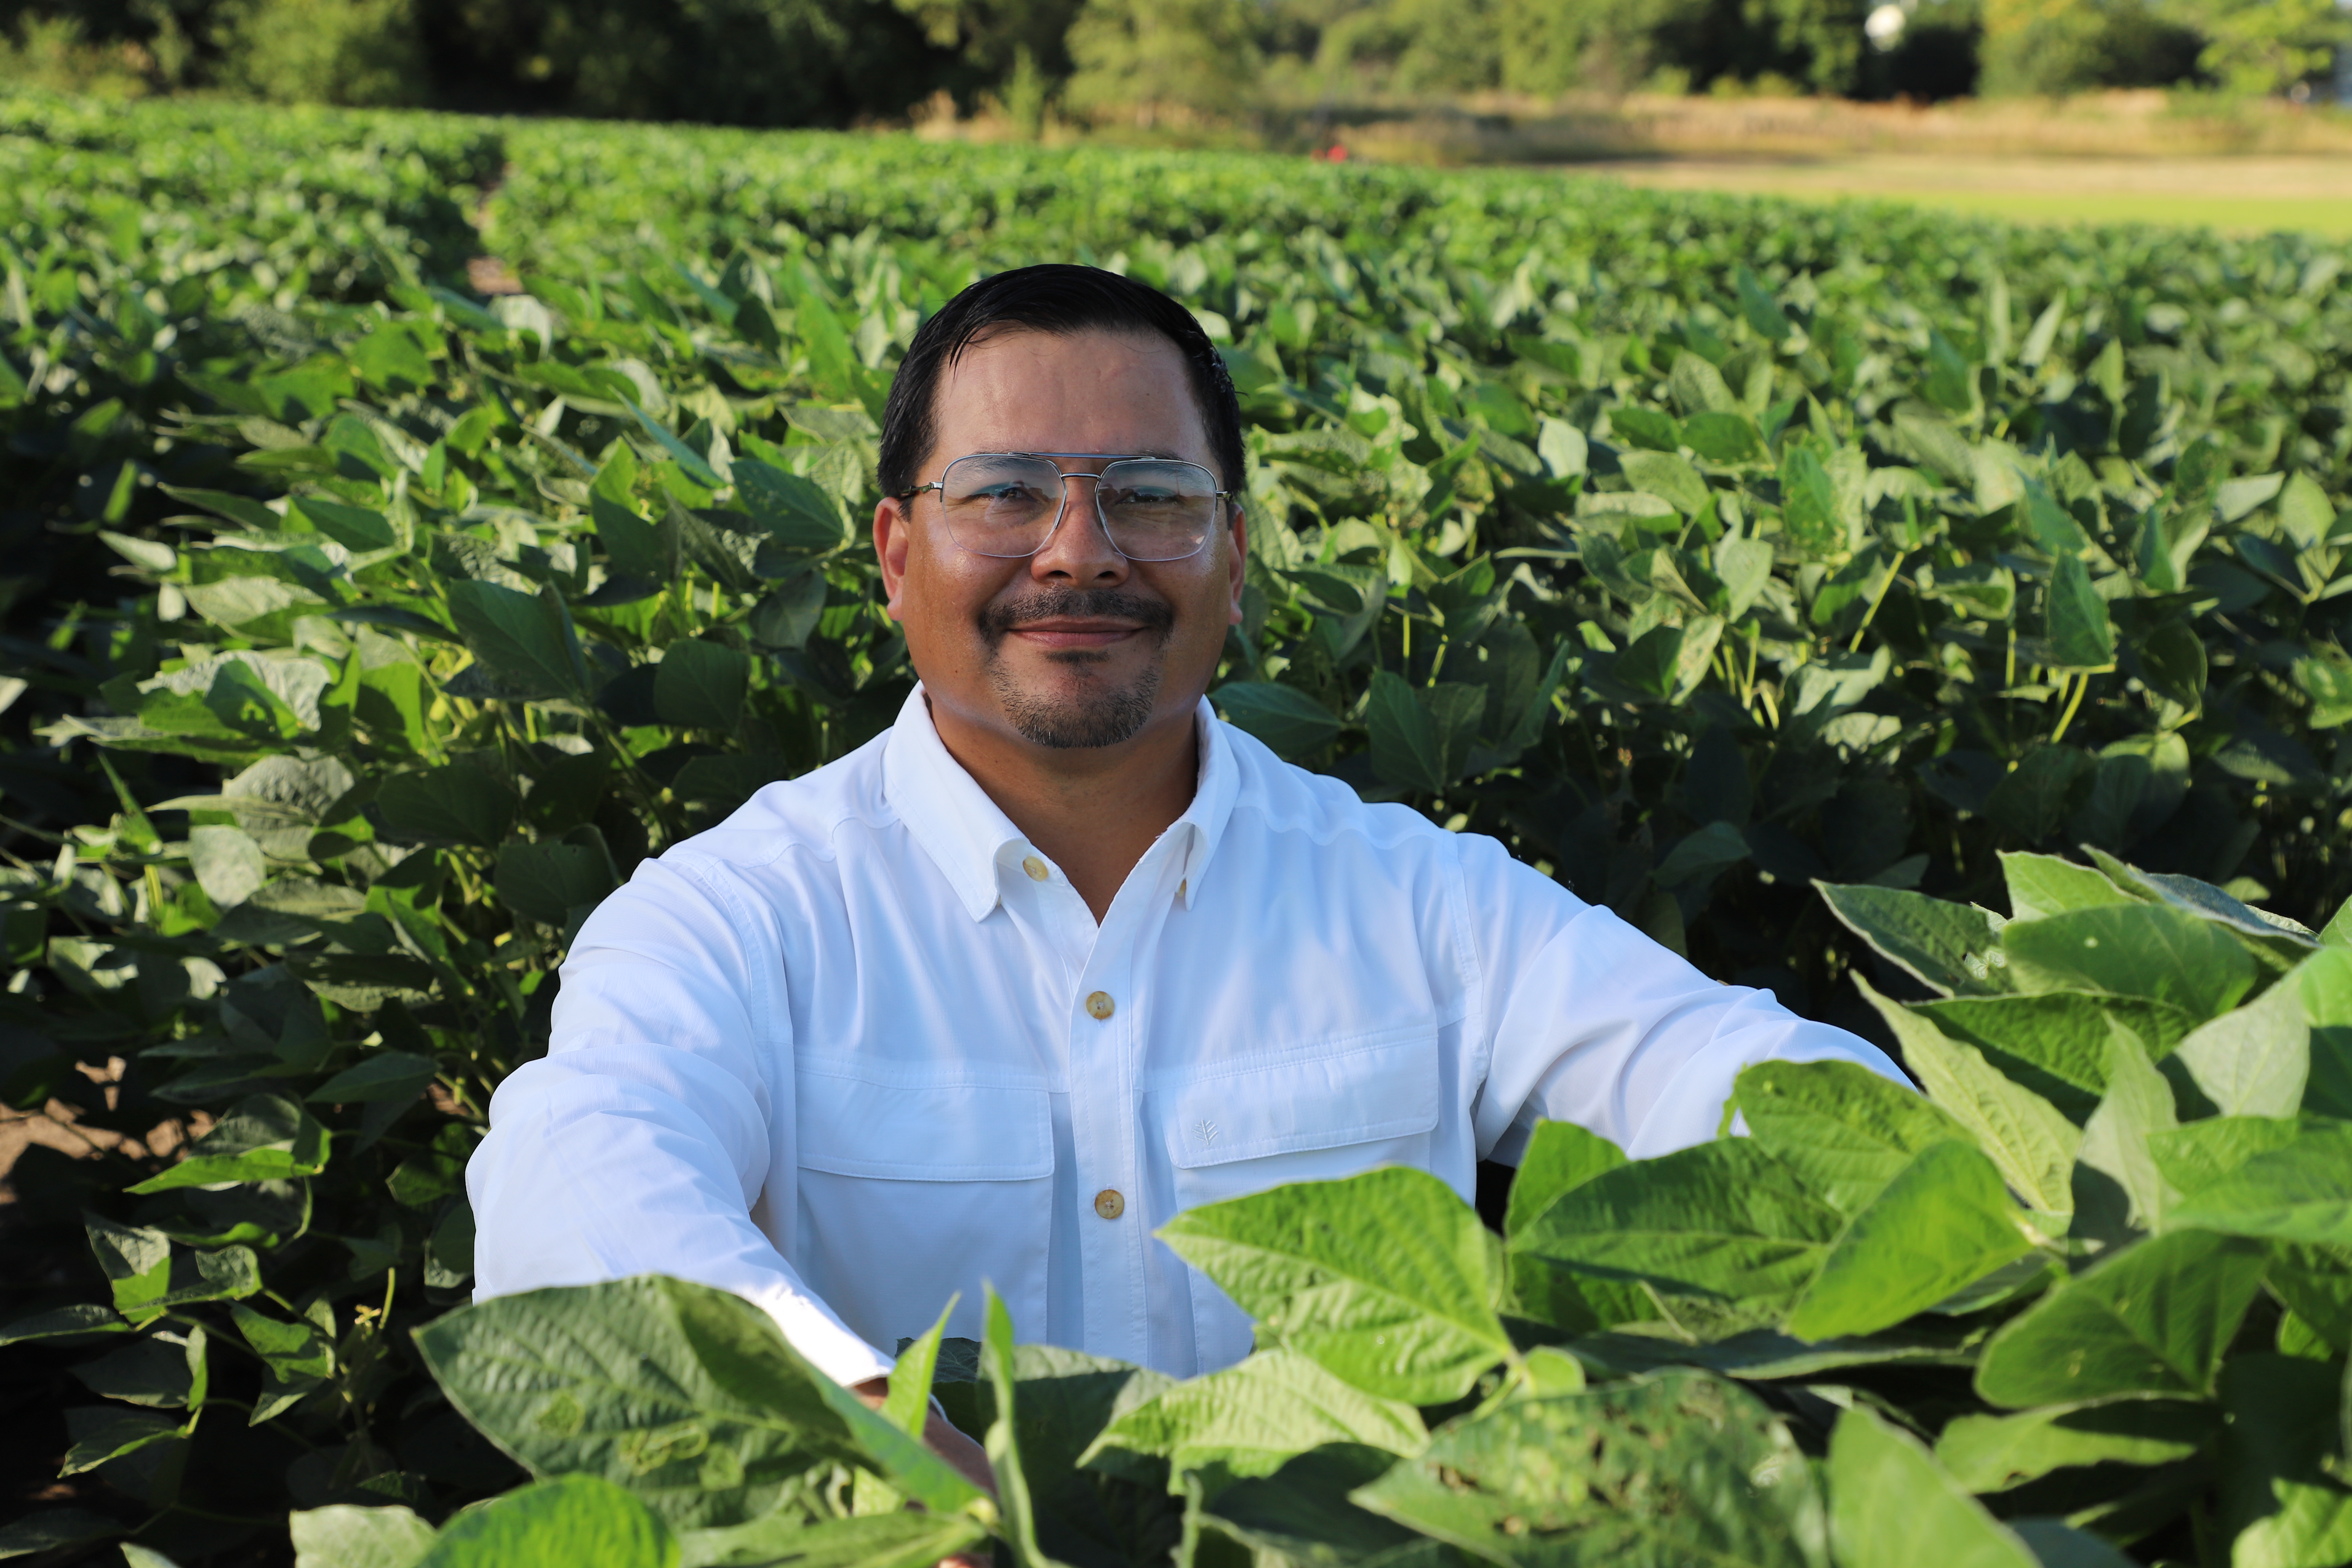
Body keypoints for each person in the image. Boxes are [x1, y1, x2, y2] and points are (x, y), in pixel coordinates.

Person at [465, 262, 1903, 1488]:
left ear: (1231, 555)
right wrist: (856, 1430)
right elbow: (572, 1177)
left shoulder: (1417, 902)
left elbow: (1740, 1081)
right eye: (1005, 494)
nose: (1078, 553)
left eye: (1151, 495)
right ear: (898, 555)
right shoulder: (740, 913)